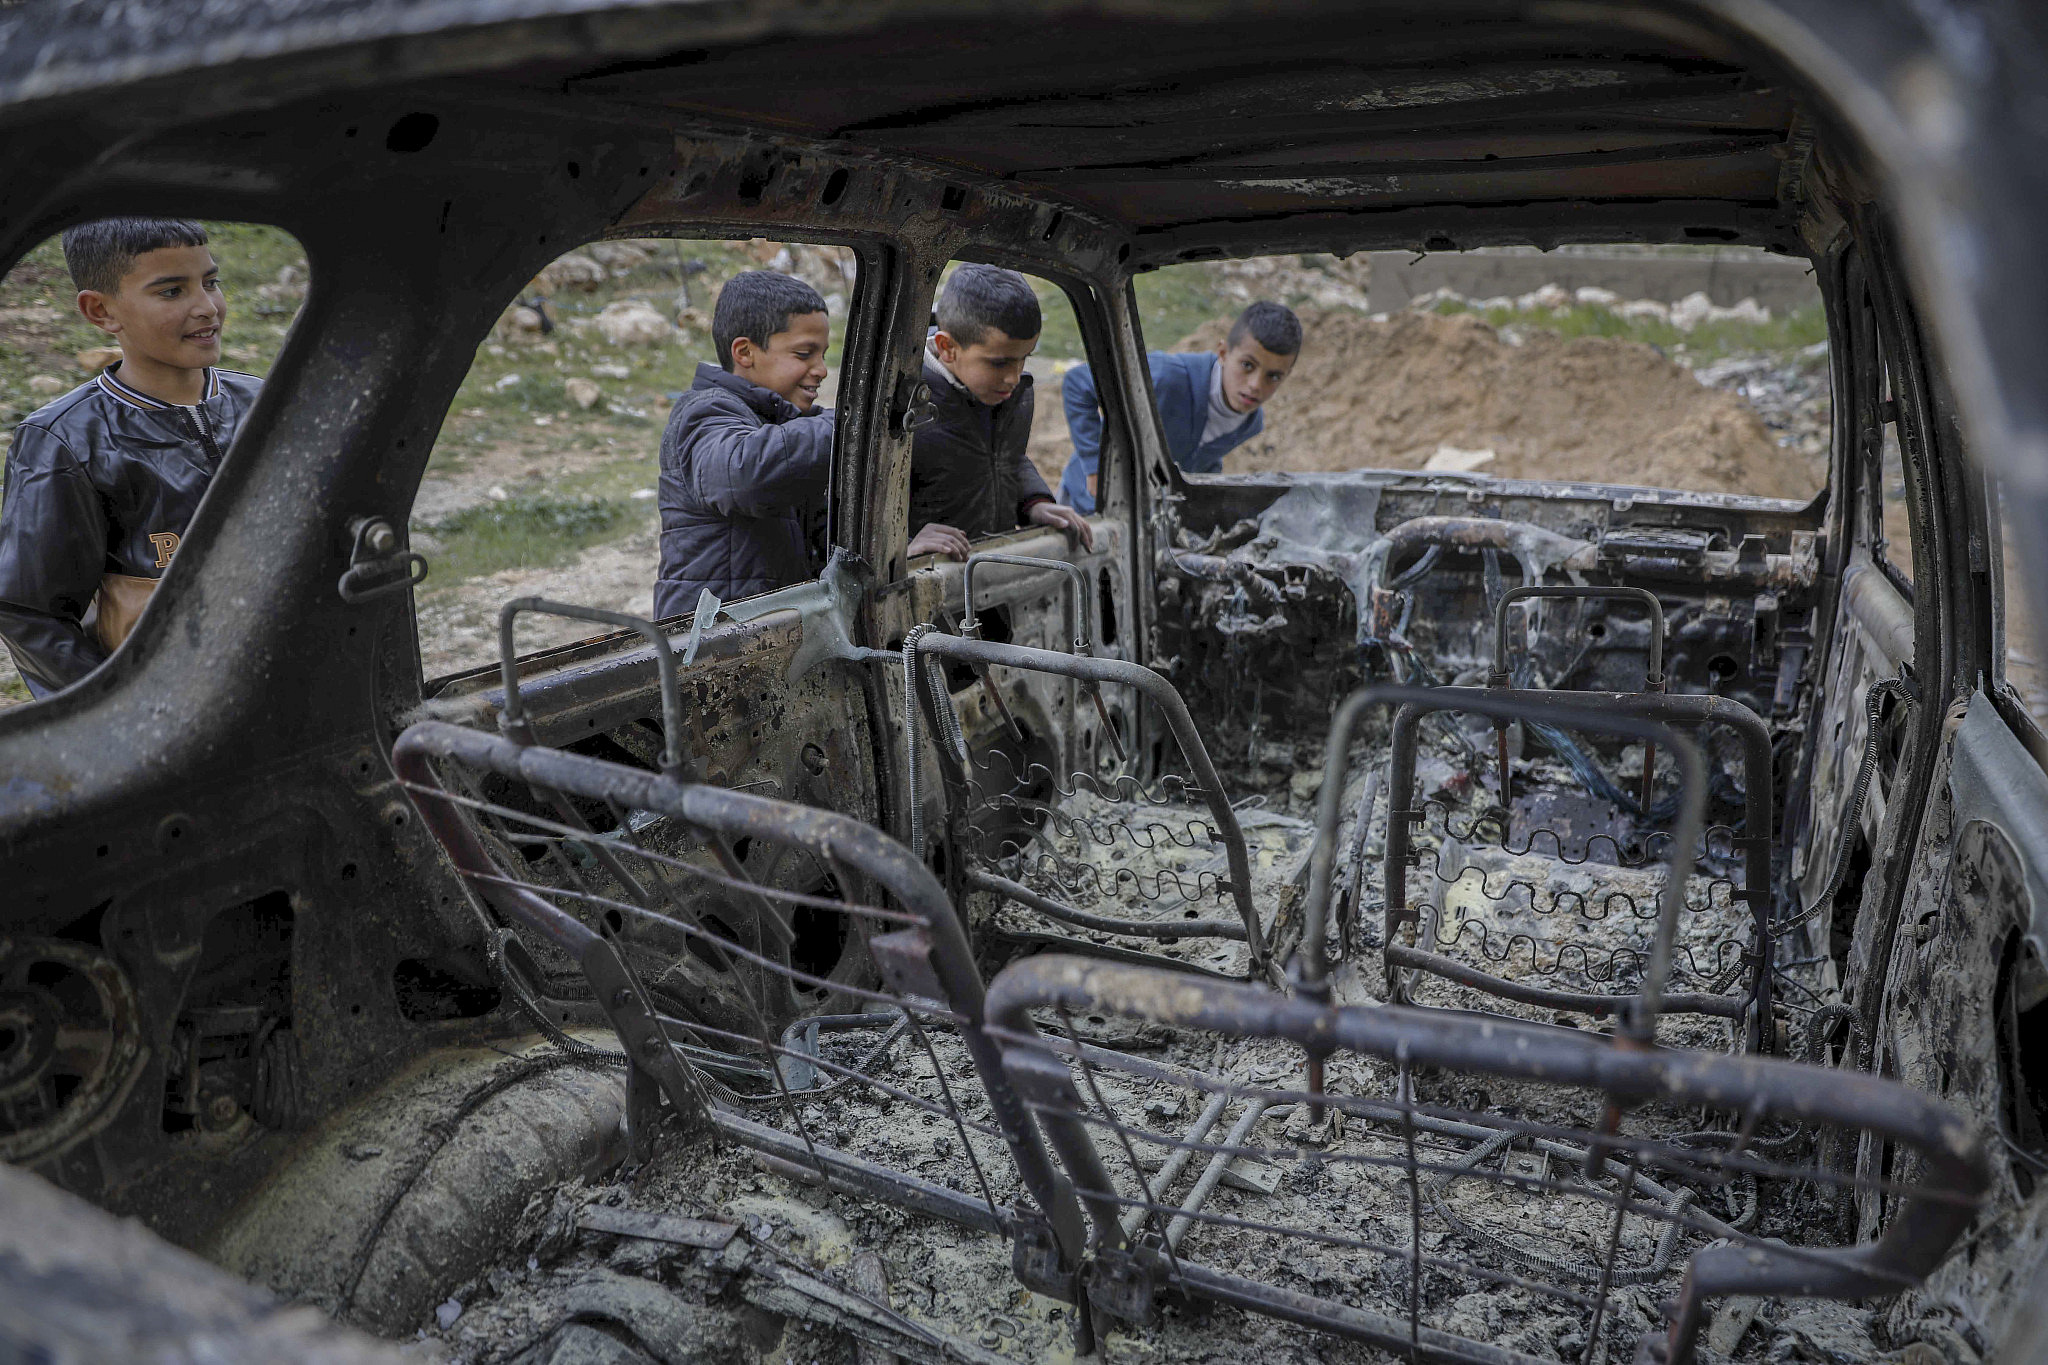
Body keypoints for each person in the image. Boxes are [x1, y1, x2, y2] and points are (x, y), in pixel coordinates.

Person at [0, 217, 261, 698]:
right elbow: (31, 614)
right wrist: (114, 710)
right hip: (169, 708)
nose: (207, 307)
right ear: (100, 310)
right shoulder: (64, 440)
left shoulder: (268, 405)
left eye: (210, 282)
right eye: (172, 291)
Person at [656, 270, 836, 618]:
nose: (822, 370)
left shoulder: (781, 423)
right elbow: (743, 476)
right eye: (804, 354)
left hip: (760, 629)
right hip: (709, 637)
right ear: (745, 352)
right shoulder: (705, 411)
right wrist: (850, 425)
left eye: (823, 356)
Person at [907, 264, 1092, 560]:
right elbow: (859, 506)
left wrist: (1034, 502)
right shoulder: (902, 407)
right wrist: (905, 545)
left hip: (995, 570)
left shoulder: (1006, 393)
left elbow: (1005, 458)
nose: (1014, 378)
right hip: (931, 576)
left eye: (1024, 358)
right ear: (947, 347)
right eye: (999, 363)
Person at [1057, 300, 1302, 515]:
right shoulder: (1166, 377)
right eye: (1247, 365)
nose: (1255, 385)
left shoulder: (1251, 423)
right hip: (1084, 504)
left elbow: (1202, 455)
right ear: (1223, 353)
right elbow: (1078, 382)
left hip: (1140, 520)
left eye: (1273, 376)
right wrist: (1094, 467)